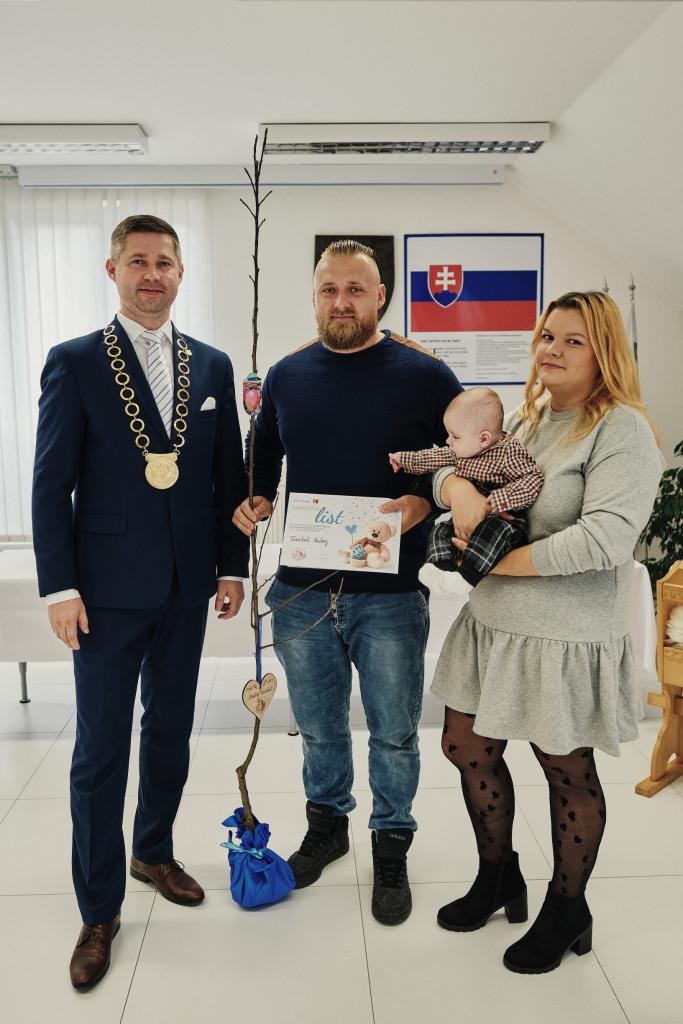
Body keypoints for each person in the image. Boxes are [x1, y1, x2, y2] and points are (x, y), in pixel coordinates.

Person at [31, 214, 249, 990]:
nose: (151, 274)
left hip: (188, 586)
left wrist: (232, 569)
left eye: (163, 262)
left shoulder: (212, 365)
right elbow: (49, 484)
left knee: (170, 732)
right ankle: (98, 910)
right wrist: (60, 587)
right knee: (100, 752)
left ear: (181, 273)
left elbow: (228, 477)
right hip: (104, 593)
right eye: (137, 261)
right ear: (113, 270)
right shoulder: (75, 362)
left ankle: (152, 850)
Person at [430, 291, 663, 973]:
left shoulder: (620, 430)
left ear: (604, 353)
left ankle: (567, 908)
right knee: (464, 746)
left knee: (564, 770)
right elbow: (454, 463)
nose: (552, 350)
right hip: (493, 625)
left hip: (563, 637)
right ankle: (499, 875)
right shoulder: (527, 420)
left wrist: (494, 561)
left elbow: (604, 539)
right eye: (547, 336)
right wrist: (458, 489)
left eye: (573, 340)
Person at [233, 240, 462, 925]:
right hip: (302, 591)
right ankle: (327, 827)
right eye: (329, 290)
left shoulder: (426, 375)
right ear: (313, 296)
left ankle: (390, 843)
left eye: (355, 290)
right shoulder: (286, 374)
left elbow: (467, 460)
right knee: (319, 729)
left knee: (393, 733)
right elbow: (263, 459)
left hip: (389, 596)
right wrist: (254, 500)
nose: (341, 302)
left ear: (380, 296)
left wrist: (425, 501)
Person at [389, 387, 543, 585]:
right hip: (470, 515)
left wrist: (498, 500)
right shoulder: (464, 449)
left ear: (484, 438)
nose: (448, 441)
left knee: (492, 532)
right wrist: (404, 459)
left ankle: (466, 576)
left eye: (455, 436)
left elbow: (532, 478)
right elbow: (434, 457)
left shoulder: (508, 451)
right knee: (441, 530)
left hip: (504, 517)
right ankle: (440, 567)